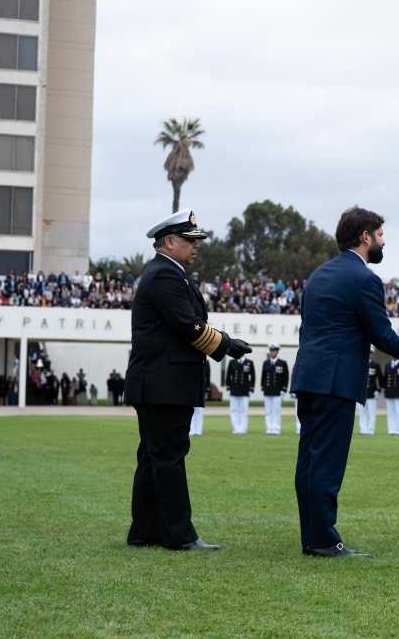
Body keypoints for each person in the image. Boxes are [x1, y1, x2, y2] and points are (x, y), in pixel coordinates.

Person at [290, 206, 399, 558]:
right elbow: (381, 334)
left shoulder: (318, 274)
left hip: (310, 377)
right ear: (365, 237)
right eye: (380, 234)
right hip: (335, 381)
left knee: (310, 460)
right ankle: (324, 540)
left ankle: (312, 536)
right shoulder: (364, 279)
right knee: (327, 463)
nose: (383, 240)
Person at [124, 209, 251, 551]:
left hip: (160, 383)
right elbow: (188, 325)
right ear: (168, 242)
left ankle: (145, 531)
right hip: (163, 384)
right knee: (167, 455)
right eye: (189, 241)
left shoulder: (169, 274)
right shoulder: (164, 276)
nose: (195, 247)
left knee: (154, 456)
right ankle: (179, 535)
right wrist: (226, 344)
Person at [261, 343, 289, 434]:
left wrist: (284, 389)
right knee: (268, 411)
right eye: (271, 351)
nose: (272, 353)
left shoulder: (282, 363)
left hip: (278, 391)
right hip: (268, 390)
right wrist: (263, 388)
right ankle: (269, 428)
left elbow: (286, 377)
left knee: (276, 411)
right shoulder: (266, 363)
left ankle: (276, 428)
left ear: (277, 352)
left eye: (274, 351)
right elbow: (263, 377)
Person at [226, 354, 255, 435]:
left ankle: (243, 429)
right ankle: (236, 429)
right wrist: (228, 387)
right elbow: (228, 375)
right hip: (234, 389)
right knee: (234, 410)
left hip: (245, 390)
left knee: (244, 410)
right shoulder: (232, 362)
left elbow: (252, 376)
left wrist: (251, 388)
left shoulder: (249, 362)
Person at [382, 357, 399, 435]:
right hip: (389, 392)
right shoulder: (387, 365)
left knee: (398, 412)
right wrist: (384, 389)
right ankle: (391, 429)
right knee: (390, 412)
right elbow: (385, 378)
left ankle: (398, 430)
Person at [359, 351, 381, 435]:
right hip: (362, 393)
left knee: (372, 412)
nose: (369, 354)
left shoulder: (375, 365)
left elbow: (380, 378)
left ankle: (371, 429)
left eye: (370, 353)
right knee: (362, 412)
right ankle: (363, 429)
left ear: (372, 355)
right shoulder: (360, 363)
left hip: (372, 392)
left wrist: (378, 390)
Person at [189, 361, 209, 437]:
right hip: (190, 387)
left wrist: (207, 389)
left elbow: (207, 376)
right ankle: (191, 430)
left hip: (201, 388)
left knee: (199, 411)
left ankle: (198, 430)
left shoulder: (205, 362)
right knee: (191, 410)